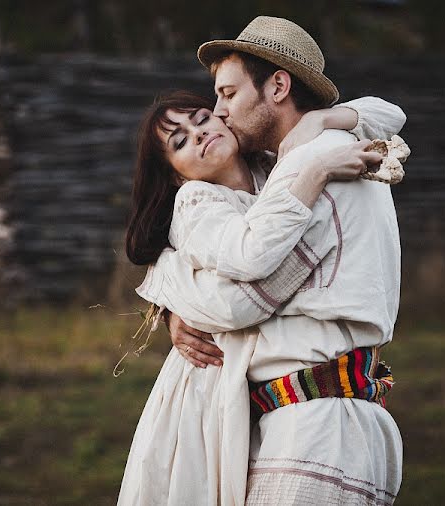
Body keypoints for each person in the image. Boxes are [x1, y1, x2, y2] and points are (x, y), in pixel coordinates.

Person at [120, 16, 406, 506]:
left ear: (277, 86)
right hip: (298, 418)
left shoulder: (311, 164)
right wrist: (170, 298)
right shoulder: (277, 170)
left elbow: (241, 299)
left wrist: (171, 288)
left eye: (226, 95)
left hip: (321, 425)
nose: (218, 113)